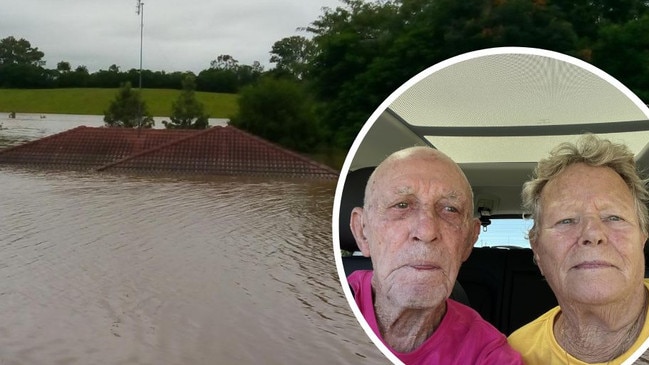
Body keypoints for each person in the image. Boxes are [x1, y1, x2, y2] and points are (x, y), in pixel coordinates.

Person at [348, 146, 523, 364]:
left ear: (469, 240)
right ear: (362, 231)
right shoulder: (319, 303)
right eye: (401, 205)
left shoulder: (488, 355)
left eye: (450, 209)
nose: (427, 231)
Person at [508, 134, 649, 364]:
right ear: (537, 250)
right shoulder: (516, 354)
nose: (593, 234)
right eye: (566, 220)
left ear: (642, 237)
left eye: (614, 217)